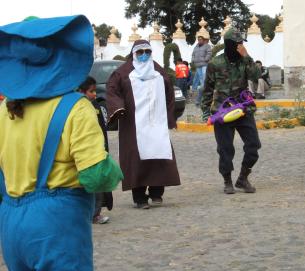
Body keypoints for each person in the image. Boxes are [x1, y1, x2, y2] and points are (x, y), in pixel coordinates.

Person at [0, 15, 123, 271]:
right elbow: (96, 175)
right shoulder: (76, 108)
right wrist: (116, 171)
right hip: (55, 225)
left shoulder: (5, 112)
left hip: (11, 222)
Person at [107, 40, 180, 209]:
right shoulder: (123, 73)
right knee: (136, 159)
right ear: (133, 53)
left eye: (147, 51)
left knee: (158, 156)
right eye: (140, 52)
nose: (144, 55)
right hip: (133, 124)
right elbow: (112, 91)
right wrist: (118, 108)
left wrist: (170, 115)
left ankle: (156, 193)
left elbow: (170, 94)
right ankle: (139, 197)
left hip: (156, 123)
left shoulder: (158, 71)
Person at [201, 28, 261, 194]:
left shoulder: (244, 61)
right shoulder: (215, 63)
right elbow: (207, 89)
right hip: (221, 112)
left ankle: (242, 178)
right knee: (225, 148)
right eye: (237, 44)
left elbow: (256, 76)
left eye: (241, 43)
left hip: (242, 109)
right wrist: (206, 111)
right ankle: (227, 180)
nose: (240, 46)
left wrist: (246, 56)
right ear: (229, 45)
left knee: (253, 145)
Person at [78, 76, 113, 224]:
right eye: (91, 91)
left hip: (98, 151)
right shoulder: (77, 109)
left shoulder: (95, 105)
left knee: (98, 185)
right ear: (81, 91)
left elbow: (102, 130)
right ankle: (89, 214)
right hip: (85, 153)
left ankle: (95, 213)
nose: (94, 94)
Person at [191, 35, 212, 106]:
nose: (199, 41)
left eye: (200, 39)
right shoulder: (196, 47)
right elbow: (193, 54)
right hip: (198, 65)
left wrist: (206, 59)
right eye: (198, 39)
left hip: (204, 64)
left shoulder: (207, 46)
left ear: (203, 40)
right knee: (200, 78)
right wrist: (193, 60)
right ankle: (202, 88)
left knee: (204, 76)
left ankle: (203, 88)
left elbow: (209, 53)